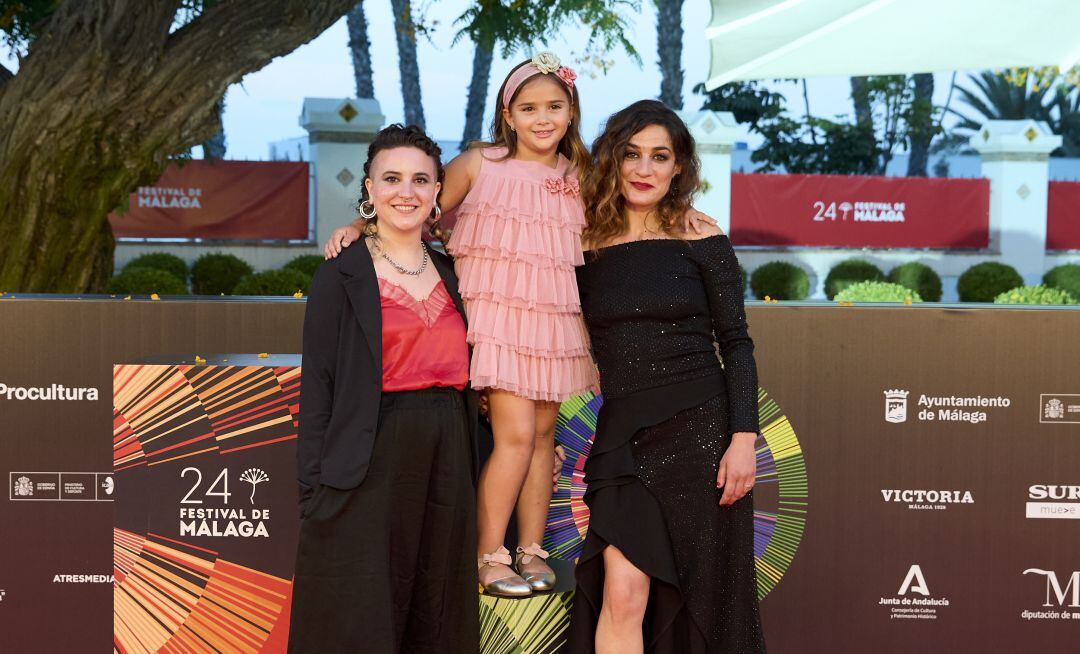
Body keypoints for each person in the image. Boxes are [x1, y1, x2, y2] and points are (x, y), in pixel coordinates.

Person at [325, 52, 597, 597]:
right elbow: (419, 210)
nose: (542, 118)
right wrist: (361, 222)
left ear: (571, 111)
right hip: (497, 322)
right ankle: (489, 554)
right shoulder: (481, 163)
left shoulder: (580, 176)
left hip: (554, 324)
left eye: (554, 106)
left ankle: (531, 547)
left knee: (544, 437)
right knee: (515, 438)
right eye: (528, 108)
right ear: (508, 113)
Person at [568, 100, 766, 653]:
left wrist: (743, 439)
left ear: (679, 167)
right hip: (622, 440)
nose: (644, 169)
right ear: (613, 159)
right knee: (622, 593)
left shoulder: (702, 238)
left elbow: (737, 344)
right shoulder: (581, 244)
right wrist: (365, 226)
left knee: (705, 596)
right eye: (632, 154)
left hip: (701, 435)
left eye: (660, 156)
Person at [290, 124, 480, 652]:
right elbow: (320, 388)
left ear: (437, 191)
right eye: (391, 178)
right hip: (368, 455)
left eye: (421, 180)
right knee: (363, 614)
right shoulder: (339, 274)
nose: (407, 191)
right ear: (369, 189)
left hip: (448, 455)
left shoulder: (455, 271)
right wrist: (312, 491)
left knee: (437, 608)